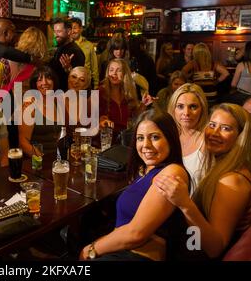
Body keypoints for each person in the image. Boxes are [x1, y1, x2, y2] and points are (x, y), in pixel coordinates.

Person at [154, 103, 251, 259]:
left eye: (226, 128)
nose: (214, 133)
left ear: (240, 136)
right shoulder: (245, 167)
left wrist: (184, 203)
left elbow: (215, 247)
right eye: (212, 125)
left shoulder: (231, 181)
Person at [80, 108, 189, 261]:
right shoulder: (146, 170)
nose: (146, 145)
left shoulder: (172, 173)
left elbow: (136, 234)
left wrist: (91, 249)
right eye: (140, 138)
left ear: (170, 138)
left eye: (155, 137)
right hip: (121, 250)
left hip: (135, 256)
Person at [167, 83, 209, 193]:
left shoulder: (209, 140)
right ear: (173, 109)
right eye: (180, 106)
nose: (186, 113)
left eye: (193, 107)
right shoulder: (166, 137)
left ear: (202, 109)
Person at [99, 59, 147, 139]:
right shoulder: (100, 92)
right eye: (111, 70)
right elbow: (91, 121)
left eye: (119, 71)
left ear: (125, 73)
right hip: (105, 139)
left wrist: (144, 104)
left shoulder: (128, 92)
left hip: (124, 139)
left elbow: (134, 117)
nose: (114, 73)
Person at [19, 66, 61, 157]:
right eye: (39, 80)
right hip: (38, 160)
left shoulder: (57, 102)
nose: (44, 83)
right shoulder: (30, 105)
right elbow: (23, 143)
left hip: (58, 159)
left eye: (48, 78)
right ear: (35, 84)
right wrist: (41, 158)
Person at [49, 17, 85, 91]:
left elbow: (79, 80)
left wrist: (69, 69)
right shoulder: (61, 47)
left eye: (59, 31)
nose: (56, 35)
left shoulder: (75, 51)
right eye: (54, 32)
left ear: (68, 32)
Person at [71, 17, 99, 89]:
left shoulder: (89, 45)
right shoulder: (66, 46)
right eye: (70, 28)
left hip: (86, 83)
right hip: (71, 84)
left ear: (81, 29)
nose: (72, 31)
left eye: (75, 28)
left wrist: (96, 85)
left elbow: (94, 66)